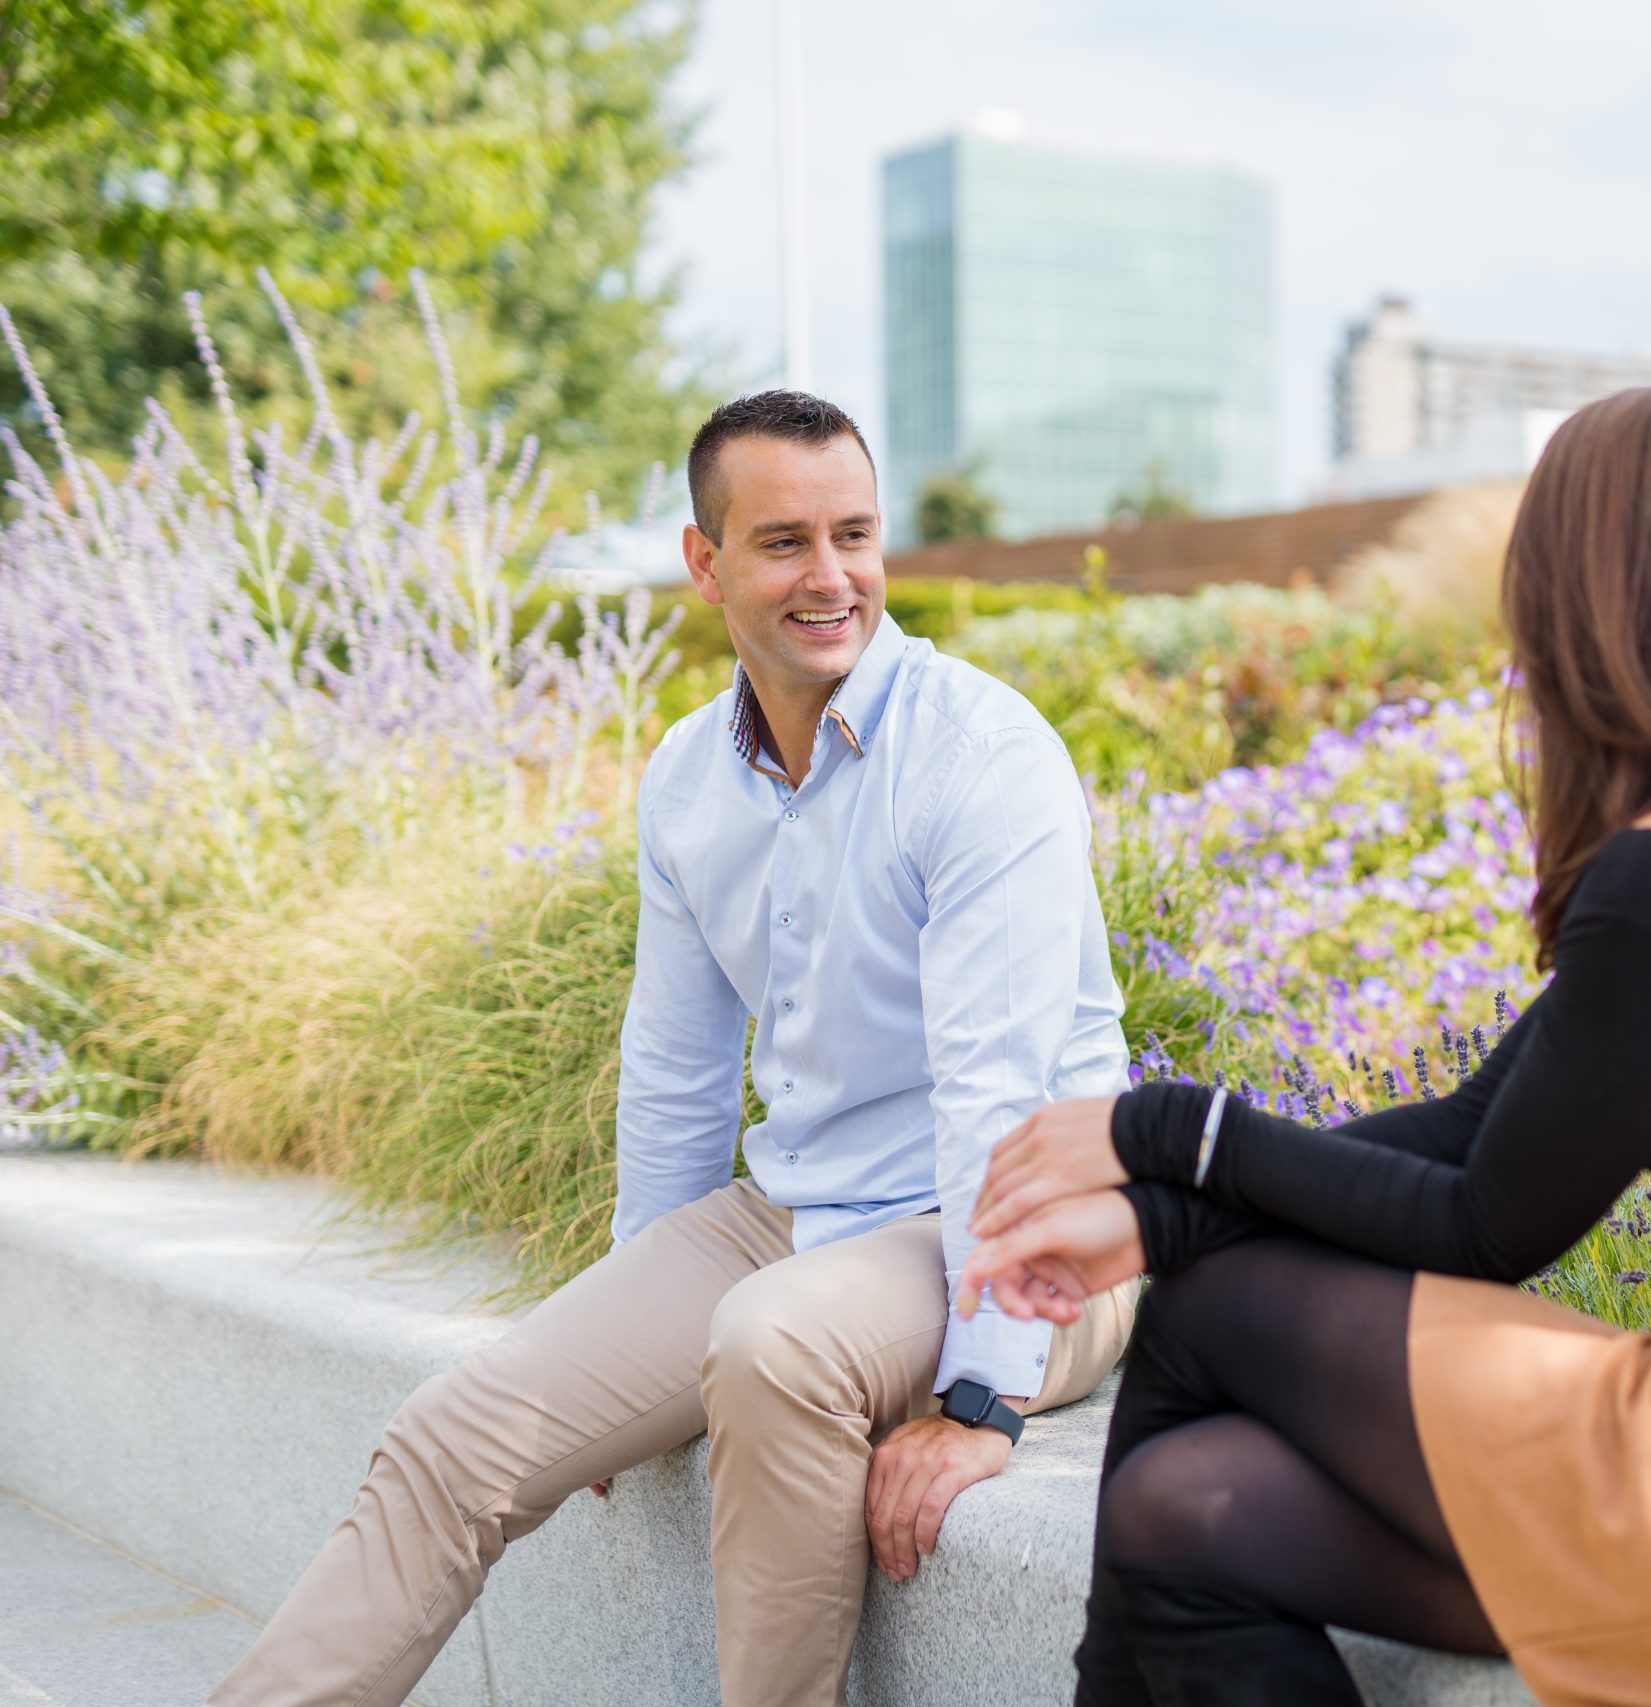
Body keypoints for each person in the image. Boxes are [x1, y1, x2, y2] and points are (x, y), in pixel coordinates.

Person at [954, 384, 1651, 1707]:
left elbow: (1488, 1223)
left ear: (1585, 592)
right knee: (1187, 1509)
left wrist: (1154, 1137)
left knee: (1215, 1309)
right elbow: (1466, 1130)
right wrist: (1164, 1208)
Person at [210, 391, 1138, 1707]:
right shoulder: (691, 776)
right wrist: (619, 1360)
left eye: (855, 536)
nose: (832, 578)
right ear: (705, 565)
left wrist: (982, 1399)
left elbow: (997, 1101)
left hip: (1031, 1232)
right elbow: (676, 1070)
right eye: (783, 543)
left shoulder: (983, 757)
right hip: (799, 1216)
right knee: (453, 1435)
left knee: (776, 1344)